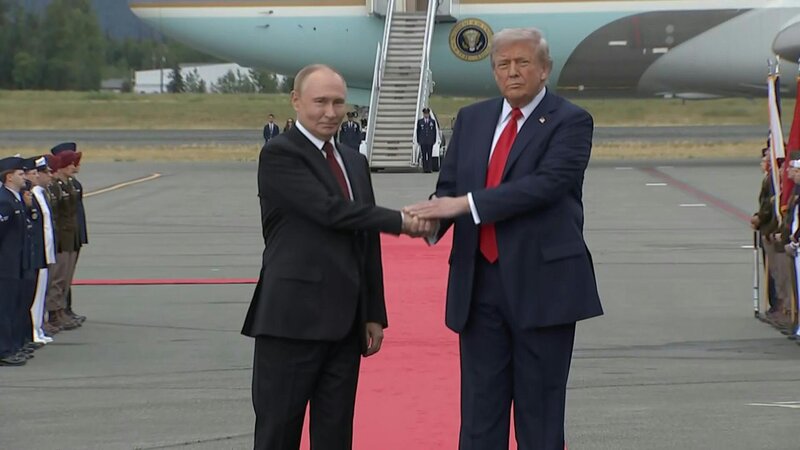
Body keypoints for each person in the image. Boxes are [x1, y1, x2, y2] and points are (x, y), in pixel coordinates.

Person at [405, 28, 603, 449]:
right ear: (493, 72)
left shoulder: (571, 121)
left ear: (544, 69)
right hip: (479, 285)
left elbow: (545, 186)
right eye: (503, 64)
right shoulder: (472, 119)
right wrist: (432, 219)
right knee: (479, 415)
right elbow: (450, 187)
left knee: (540, 417)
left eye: (523, 62)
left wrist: (462, 206)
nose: (512, 72)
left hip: (543, 287)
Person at [241, 64, 434, 450]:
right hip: (290, 323)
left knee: (335, 434)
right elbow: (330, 211)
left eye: (338, 102)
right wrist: (401, 221)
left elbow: (364, 242)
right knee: (279, 433)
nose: (330, 112)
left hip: (345, 324)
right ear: (296, 101)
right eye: (320, 102)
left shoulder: (354, 161)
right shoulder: (280, 154)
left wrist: (373, 312)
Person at [51, 142, 87, 323]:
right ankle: (55, 312)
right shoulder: (54, 187)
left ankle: (63, 310)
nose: (75, 166)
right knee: (58, 277)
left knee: (66, 277)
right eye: (71, 162)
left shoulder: (73, 185)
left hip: (72, 236)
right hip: (62, 239)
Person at [0, 156, 30, 366]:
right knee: (4, 309)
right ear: (9, 177)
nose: (25, 177)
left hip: (15, 263)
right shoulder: (4, 201)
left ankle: (10, 346)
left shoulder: (15, 198)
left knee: (11, 308)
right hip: (4, 265)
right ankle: (4, 350)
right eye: (20, 174)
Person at [415, 107, 437, 173]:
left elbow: (434, 131)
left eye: (427, 114)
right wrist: (418, 140)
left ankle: (429, 169)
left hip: (430, 141)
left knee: (429, 155)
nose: (426, 115)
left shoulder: (432, 121)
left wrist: (434, 140)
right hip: (423, 141)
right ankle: (425, 169)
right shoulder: (420, 121)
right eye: (425, 114)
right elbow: (418, 131)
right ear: (423, 114)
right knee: (424, 155)